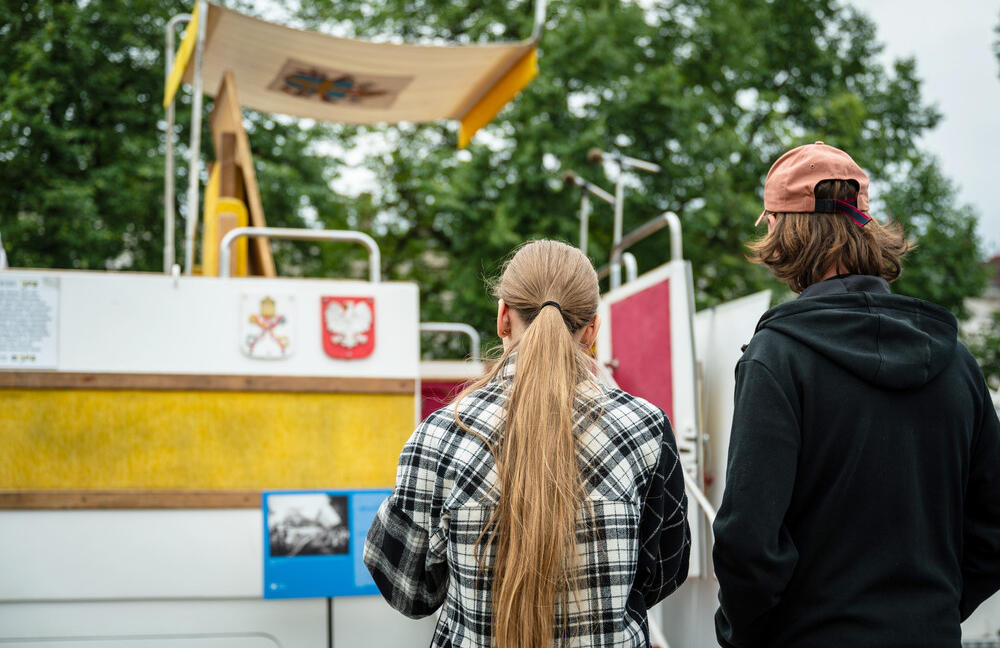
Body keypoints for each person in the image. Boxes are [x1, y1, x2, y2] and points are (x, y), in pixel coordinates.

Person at [713, 141, 1000, 647]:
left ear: (782, 230)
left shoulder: (777, 358)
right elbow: (994, 528)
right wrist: (931, 614)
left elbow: (748, 541)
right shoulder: (957, 361)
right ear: (864, 222)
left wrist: (744, 636)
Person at [364, 239, 690, 647]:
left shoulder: (437, 437)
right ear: (591, 329)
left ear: (503, 317)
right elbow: (664, 571)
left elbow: (407, 591)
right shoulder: (646, 429)